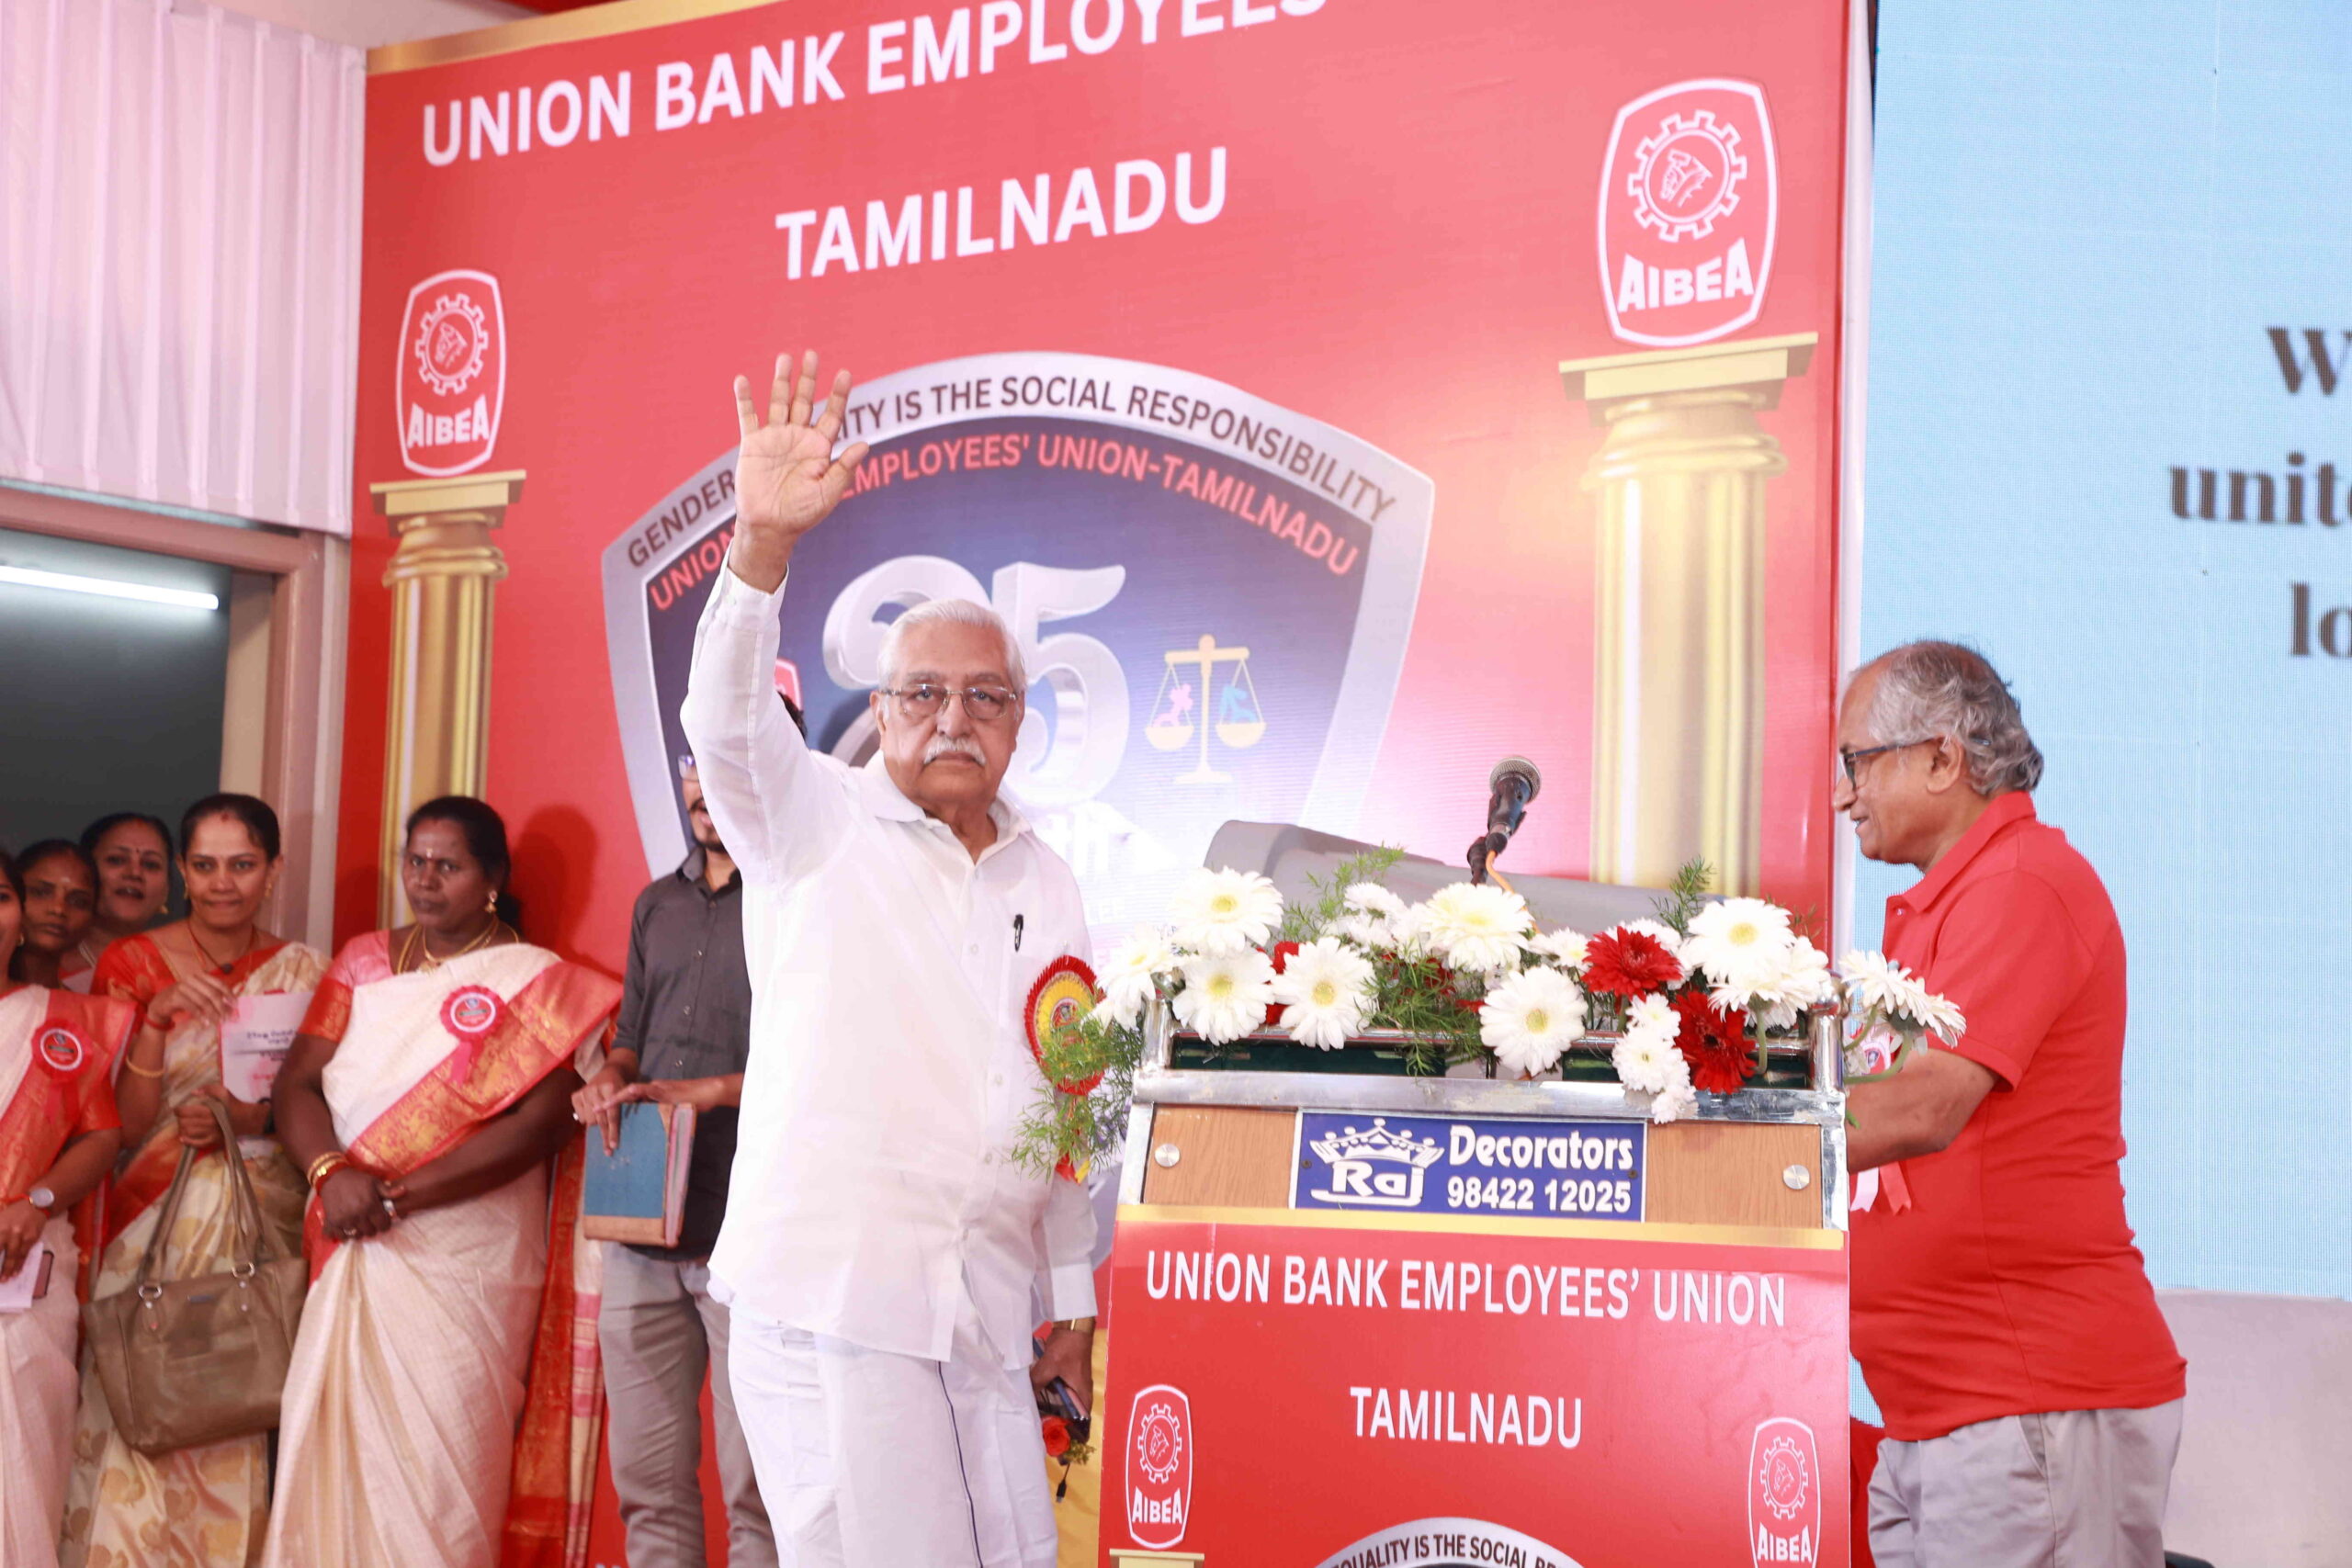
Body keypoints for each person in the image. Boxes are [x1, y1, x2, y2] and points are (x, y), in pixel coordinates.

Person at [683, 351, 1098, 1568]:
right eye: (922, 693)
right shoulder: (811, 820)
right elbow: (723, 726)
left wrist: (1071, 1300)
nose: (954, 718)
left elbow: (1065, 1102)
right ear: (879, 709)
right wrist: (761, 545)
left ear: (1021, 720)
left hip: (983, 1313)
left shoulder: (1047, 877)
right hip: (838, 1306)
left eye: (986, 697)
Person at [1836, 640, 2186, 1568]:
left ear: (1941, 758)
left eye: (1856, 762)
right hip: (1942, 1410)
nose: (1842, 796)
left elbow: (1922, 1109)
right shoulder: (1952, 901)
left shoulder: (2021, 882)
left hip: (2028, 1399)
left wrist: (1730, 1146)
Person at [264, 796, 622, 1568]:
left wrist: (396, 1197)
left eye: (448, 865)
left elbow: (547, 1118)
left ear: (493, 878)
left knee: (443, 1462)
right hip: (351, 1230)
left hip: (467, 1251)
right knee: (337, 1448)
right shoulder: (363, 960)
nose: (425, 880)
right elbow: (296, 1084)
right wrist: (331, 1173)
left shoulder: (536, 981)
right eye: (415, 861)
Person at [60, 794, 327, 1568]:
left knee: (235, 1399)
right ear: (183, 871)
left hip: (257, 1211)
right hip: (150, 1210)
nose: (222, 883)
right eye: (205, 865)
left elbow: (323, 1100)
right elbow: (123, 1125)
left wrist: (251, 1119)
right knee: (138, 1394)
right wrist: (155, 1017)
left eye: (242, 864)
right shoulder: (131, 963)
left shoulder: (306, 970)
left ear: (273, 870)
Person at [571, 749, 781, 1568]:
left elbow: (830, 1068)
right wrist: (610, 1078)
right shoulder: (656, 903)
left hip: (751, 1234)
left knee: (760, 1493)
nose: (700, 783)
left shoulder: (796, 904)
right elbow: (630, 1039)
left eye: (722, 757)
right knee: (649, 1488)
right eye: (691, 761)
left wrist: (716, 1089)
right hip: (643, 1226)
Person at [0, 848, 132, 1568]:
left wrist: (37, 1198)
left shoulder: (61, 1019)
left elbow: (101, 1134)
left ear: (19, 916)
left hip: (26, 1268)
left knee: (23, 1465)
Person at [78, 811, 174, 964]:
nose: (135, 873)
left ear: (166, 890)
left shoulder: (183, 971)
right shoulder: (46, 963)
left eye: (150, 864)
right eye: (116, 860)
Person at [7, 840, 100, 991]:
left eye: (78, 902)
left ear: (92, 919)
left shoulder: (82, 1004)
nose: (59, 909)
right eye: (40, 893)